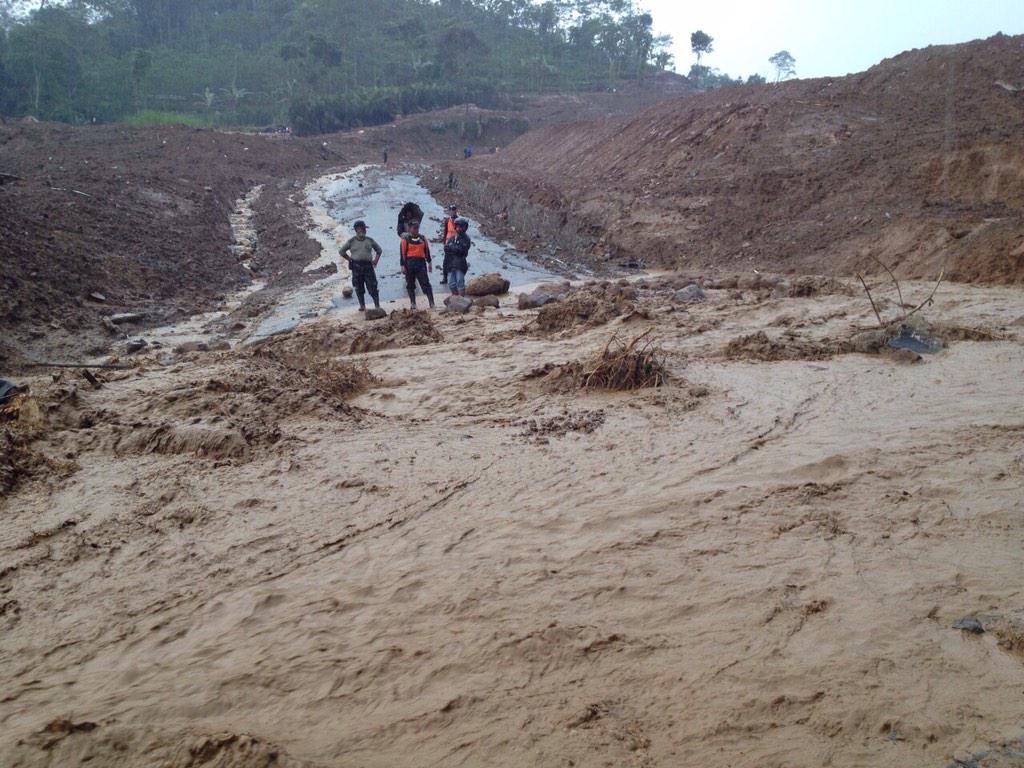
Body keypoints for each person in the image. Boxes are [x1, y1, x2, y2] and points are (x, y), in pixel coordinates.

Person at [337, 220, 382, 312]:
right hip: (356, 267)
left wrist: (375, 261)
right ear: (357, 229)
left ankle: (377, 305)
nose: (364, 231)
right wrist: (349, 259)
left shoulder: (370, 240)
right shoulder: (351, 241)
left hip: (368, 267)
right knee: (358, 287)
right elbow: (341, 251)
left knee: (373, 287)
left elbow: (379, 250)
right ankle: (362, 306)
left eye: (365, 229)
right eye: (362, 229)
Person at [400, 220, 435, 309]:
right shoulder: (405, 240)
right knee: (410, 284)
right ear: (409, 228)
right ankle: (413, 303)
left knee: (425, 283)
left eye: (417, 228)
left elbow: (427, 251)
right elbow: (402, 254)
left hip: (421, 263)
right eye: (414, 228)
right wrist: (402, 266)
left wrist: (429, 263)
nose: (416, 230)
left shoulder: (422, 238)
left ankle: (431, 303)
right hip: (409, 263)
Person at [443, 218, 472, 297]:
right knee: (451, 283)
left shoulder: (466, 239)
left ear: (464, 228)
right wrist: (453, 248)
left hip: (460, 263)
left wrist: (452, 248)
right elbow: (446, 249)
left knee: (460, 281)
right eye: (457, 227)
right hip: (450, 263)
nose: (458, 229)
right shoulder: (452, 238)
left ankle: (462, 298)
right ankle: (456, 297)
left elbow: (462, 250)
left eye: (460, 227)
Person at [438, 204, 459, 285]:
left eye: (453, 210)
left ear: (456, 211)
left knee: (456, 261)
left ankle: (455, 278)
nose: (452, 212)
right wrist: (444, 243)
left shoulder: (458, 220)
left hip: (456, 243)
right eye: (450, 210)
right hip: (448, 243)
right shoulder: (447, 220)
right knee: (446, 262)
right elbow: (445, 232)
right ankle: (445, 278)